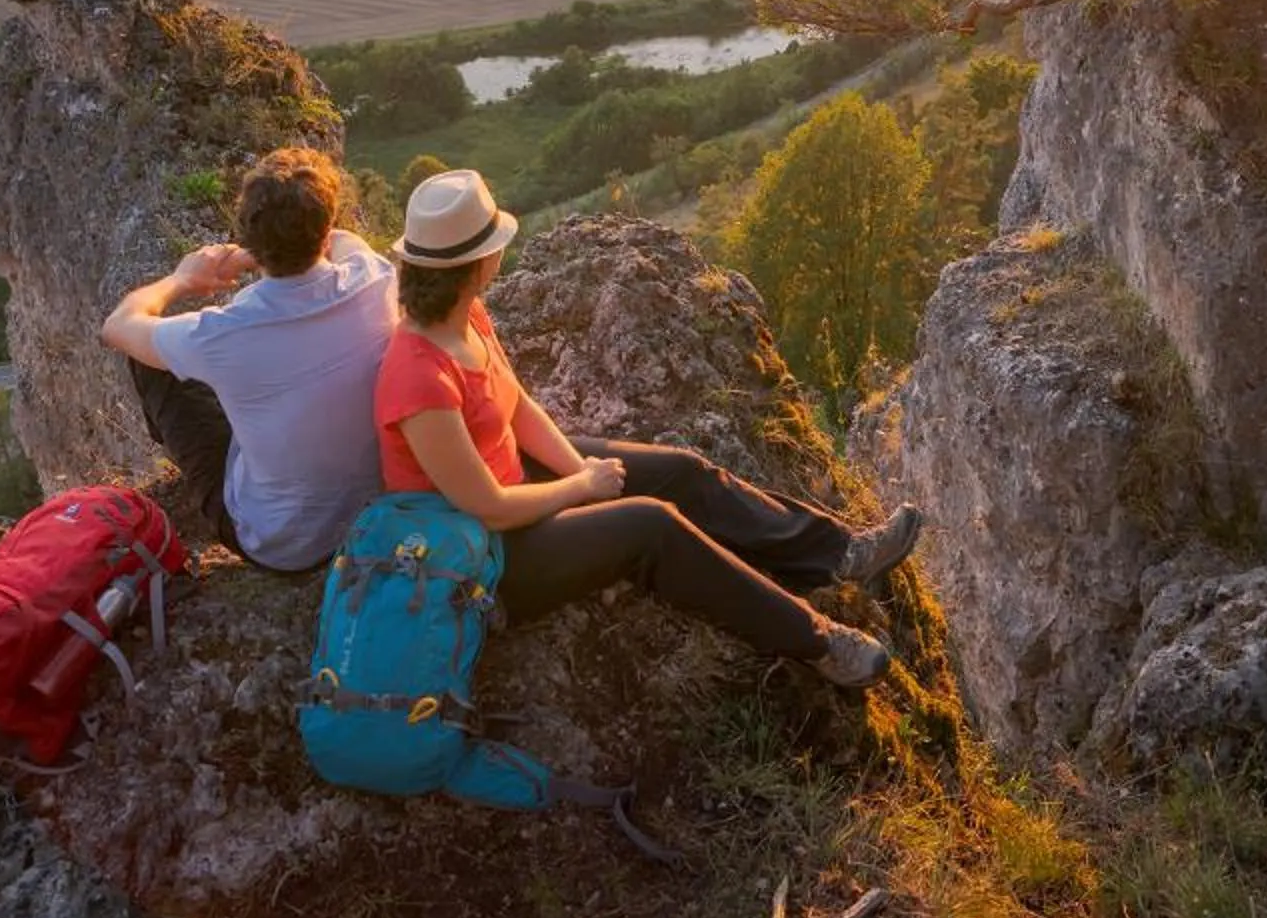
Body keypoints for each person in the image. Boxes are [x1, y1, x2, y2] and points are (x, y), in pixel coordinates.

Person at [374, 168, 922, 686]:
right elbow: (487, 507)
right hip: (485, 559)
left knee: (681, 472)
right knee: (652, 526)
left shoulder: (467, 314)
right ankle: (819, 642)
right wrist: (582, 488)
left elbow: (516, 407)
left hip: (513, 482)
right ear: (477, 263)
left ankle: (840, 554)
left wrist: (578, 467)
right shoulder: (418, 376)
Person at [98, 145, 395, 572]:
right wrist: (264, 253)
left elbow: (118, 327)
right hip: (375, 520)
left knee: (150, 358)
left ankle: (198, 482)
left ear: (250, 235)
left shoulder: (224, 334)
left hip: (282, 546)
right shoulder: (375, 278)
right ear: (324, 230)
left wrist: (181, 279)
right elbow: (349, 242)